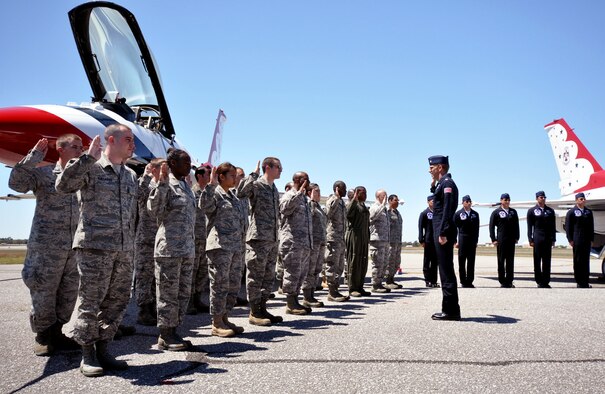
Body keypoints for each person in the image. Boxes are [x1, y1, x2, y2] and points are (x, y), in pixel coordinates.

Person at [56, 124, 138, 377]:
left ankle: (104, 349)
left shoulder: (130, 175)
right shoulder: (90, 167)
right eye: (127, 139)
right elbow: (62, 185)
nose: (132, 144)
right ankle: (87, 354)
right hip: (95, 248)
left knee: (117, 301)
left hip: (124, 249)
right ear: (110, 140)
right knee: (91, 302)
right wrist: (85, 158)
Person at [9, 135, 82, 356]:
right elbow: (16, 184)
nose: (80, 151)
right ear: (60, 149)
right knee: (43, 290)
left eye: (81, 148)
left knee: (69, 291)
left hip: (74, 245)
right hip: (46, 245)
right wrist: (33, 158)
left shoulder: (84, 176)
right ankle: (43, 335)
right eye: (75, 147)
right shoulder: (44, 173)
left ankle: (57, 331)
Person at [147, 149, 197, 350]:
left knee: (183, 293)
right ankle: (166, 334)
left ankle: (174, 330)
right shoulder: (165, 184)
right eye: (185, 163)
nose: (189, 166)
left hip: (186, 249)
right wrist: (162, 182)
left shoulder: (186, 186)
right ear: (172, 164)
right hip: (169, 249)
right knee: (168, 294)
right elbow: (154, 210)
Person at [201, 162, 247, 337]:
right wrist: (211, 185)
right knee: (219, 285)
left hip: (235, 247)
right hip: (219, 246)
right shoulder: (215, 194)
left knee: (233, 285)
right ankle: (216, 322)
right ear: (221, 177)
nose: (235, 179)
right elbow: (204, 206)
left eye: (236, 175)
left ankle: (225, 317)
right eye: (232, 176)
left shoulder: (233, 196)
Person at [236, 157, 283, 326]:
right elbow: (240, 192)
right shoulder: (256, 184)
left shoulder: (273, 188)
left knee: (268, 276)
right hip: (258, 238)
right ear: (268, 167)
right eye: (278, 167)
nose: (281, 170)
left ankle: (262, 308)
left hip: (271, 238)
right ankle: (254, 311)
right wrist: (252, 175)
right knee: (256, 275)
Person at [428, 155, 461, 320]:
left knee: (446, 270)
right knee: (444, 269)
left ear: (440, 167)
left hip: (443, 232)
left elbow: (448, 209)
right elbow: (440, 201)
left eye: (432, 167)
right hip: (441, 230)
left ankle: (451, 310)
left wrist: (442, 232)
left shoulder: (447, 184)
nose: (429, 170)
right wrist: (434, 186)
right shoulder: (443, 184)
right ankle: (449, 308)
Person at [134, 158, 164, 326]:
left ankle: (153, 306)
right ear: (154, 169)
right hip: (146, 237)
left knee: (155, 275)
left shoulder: (164, 185)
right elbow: (138, 194)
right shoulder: (146, 184)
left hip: (160, 238)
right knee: (144, 275)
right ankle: (144, 309)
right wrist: (146, 176)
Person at [279, 171, 313, 314]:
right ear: (298, 180)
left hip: (304, 243)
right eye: (306, 179)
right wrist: (298, 193)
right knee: (292, 273)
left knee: (301, 274)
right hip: (292, 243)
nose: (309, 182)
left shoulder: (304, 199)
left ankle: (296, 301)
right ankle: (290, 304)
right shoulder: (289, 195)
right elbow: (284, 209)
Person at [188, 163, 212, 314]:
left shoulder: (209, 193)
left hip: (207, 238)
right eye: (208, 174)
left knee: (203, 271)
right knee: (192, 270)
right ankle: (189, 302)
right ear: (200, 176)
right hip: (195, 237)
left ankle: (198, 298)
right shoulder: (193, 192)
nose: (210, 177)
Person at [324, 180, 349, 301]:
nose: (345, 190)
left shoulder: (342, 203)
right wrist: (337, 198)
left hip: (341, 239)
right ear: (337, 188)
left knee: (339, 266)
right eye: (343, 188)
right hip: (333, 238)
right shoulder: (332, 200)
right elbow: (328, 214)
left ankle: (336, 289)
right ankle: (331, 292)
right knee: (332, 265)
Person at [303, 183, 327, 307]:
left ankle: (312, 294)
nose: (319, 194)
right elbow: (308, 217)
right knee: (310, 269)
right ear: (309, 192)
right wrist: (311, 199)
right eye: (316, 191)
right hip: (312, 242)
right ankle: (307, 296)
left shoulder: (318, 206)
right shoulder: (308, 204)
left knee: (317, 269)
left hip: (320, 241)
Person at [489, 193, 519, 288]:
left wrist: (516, 237)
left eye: (508, 200)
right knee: (501, 260)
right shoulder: (496, 212)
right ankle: (502, 281)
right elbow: (491, 226)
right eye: (505, 199)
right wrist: (493, 239)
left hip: (511, 240)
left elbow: (516, 225)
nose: (507, 201)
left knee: (510, 261)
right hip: (501, 239)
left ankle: (509, 281)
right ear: (501, 200)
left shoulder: (513, 212)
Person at [527, 191, 556, 288]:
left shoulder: (550, 211)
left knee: (547, 261)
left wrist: (553, 239)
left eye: (544, 197)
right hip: (537, 237)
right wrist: (530, 239)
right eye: (541, 197)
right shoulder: (532, 211)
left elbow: (553, 226)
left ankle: (546, 281)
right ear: (536, 198)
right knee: (537, 260)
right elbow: (529, 226)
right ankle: (539, 281)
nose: (543, 199)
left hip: (548, 238)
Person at [565, 192, 594, 288]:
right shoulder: (571, 212)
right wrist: (570, 239)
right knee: (578, 260)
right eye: (581, 199)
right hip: (577, 239)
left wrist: (591, 239)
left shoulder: (588, 212)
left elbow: (591, 227)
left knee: (586, 261)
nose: (583, 200)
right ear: (576, 200)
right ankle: (579, 281)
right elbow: (568, 227)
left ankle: (585, 281)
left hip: (586, 240)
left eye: (584, 199)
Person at [346, 186, 371, 297]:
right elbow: (347, 214)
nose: (365, 195)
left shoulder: (363, 206)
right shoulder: (353, 205)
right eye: (362, 192)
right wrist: (354, 200)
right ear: (356, 193)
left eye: (365, 192)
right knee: (354, 261)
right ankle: (353, 288)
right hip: (355, 236)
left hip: (364, 237)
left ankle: (360, 286)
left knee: (363, 262)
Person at [454, 195, 480, 288]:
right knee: (462, 261)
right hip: (462, 239)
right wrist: (455, 241)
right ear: (463, 202)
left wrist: (476, 240)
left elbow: (477, 229)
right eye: (467, 201)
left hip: (472, 240)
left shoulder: (475, 214)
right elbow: (454, 228)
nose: (469, 203)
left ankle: (469, 281)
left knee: (471, 261)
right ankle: (463, 281)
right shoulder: (458, 214)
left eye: (470, 201)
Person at [369, 189, 391, 293]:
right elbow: (372, 217)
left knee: (384, 263)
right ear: (378, 196)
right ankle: (375, 284)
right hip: (377, 241)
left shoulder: (384, 209)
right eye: (384, 196)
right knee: (377, 263)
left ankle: (380, 283)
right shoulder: (375, 207)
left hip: (385, 240)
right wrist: (382, 205)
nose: (386, 198)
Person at [418, 195, 439, 287]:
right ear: (428, 202)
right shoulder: (424, 213)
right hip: (428, 240)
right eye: (432, 201)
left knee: (435, 262)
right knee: (427, 261)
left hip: (436, 241)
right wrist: (421, 240)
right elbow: (420, 227)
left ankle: (434, 280)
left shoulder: (438, 213)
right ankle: (427, 280)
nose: (434, 202)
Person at [385, 194, 403, 289]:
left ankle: (392, 279)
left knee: (396, 262)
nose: (397, 202)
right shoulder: (387, 212)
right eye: (395, 200)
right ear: (390, 201)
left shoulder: (397, 213)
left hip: (398, 242)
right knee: (390, 262)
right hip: (390, 241)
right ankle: (388, 281)